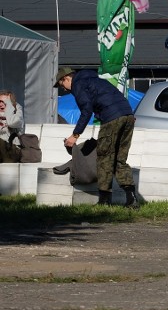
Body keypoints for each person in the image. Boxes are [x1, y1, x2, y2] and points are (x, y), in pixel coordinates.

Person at [55, 67, 139, 208]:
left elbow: (86, 110)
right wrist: (126, 114)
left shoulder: (78, 84)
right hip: (128, 115)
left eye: (61, 85)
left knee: (104, 158)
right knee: (120, 159)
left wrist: (75, 135)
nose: (64, 89)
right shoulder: (95, 80)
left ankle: (105, 201)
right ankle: (132, 199)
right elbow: (116, 95)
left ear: (67, 78)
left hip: (111, 118)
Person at [0, 90, 25, 162]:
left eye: (5, 101)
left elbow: (11, 123)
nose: (1, 104)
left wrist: (10, 105)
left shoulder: (17, 115)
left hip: (12, 150)